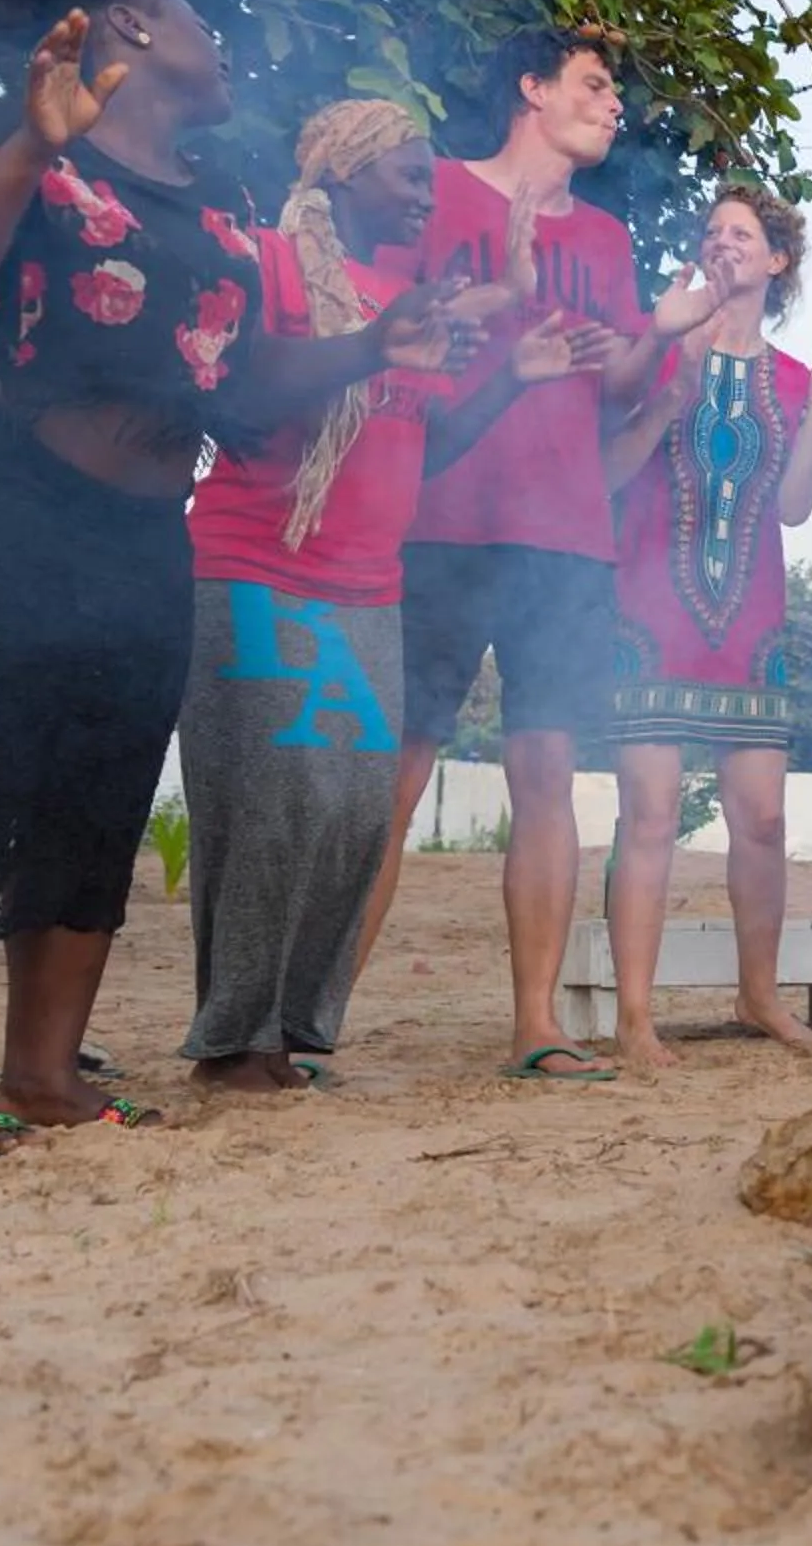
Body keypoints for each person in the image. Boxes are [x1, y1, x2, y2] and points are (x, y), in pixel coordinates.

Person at [0, 0, 463, 1157]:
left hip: (140, 532)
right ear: (132, 24)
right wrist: (33, 147)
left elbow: (237, 377)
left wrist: (372, 344)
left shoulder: (220, 197)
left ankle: (43, 1074)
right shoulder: (15, 133)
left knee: (95, 794)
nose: (224, 42)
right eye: (199, 17)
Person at [179, 99, 612, 1094]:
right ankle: (231, 1043)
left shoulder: (405, 296)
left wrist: (512, 379)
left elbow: (427, 445)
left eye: (427, 176)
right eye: (408, 175)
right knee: (274, 807)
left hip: (370, 585)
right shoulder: (271, 263)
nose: (426, 193)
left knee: (353, 815)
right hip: (258, 565)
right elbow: (239, 399)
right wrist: (373, 344)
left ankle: (291, 1031)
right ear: (340, 170)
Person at [362, 27, 719, 1082]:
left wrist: (654, 336)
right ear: (530, 87)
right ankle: (312, 1007)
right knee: (398, 770)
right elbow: (393, 332)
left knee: (548, 773)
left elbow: (609, 386)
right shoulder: (435, 191)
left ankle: (535, 1023)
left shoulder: (606, 239)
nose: (615, 106)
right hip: (436, 515)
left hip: (565, 530)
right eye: (595, 85)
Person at [596, 187, 812, 1067]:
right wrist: (667, 389)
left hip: (750, 620)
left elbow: (794, 507)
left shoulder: (791, 379)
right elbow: (608, 471)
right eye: (711, 230)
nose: (723, 243)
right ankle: (637, 1019)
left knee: (759, 820)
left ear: (777, 261)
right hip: (648, 611)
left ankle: (758, 996)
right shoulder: (662, 347)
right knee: (650, 814)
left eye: (741, 234)